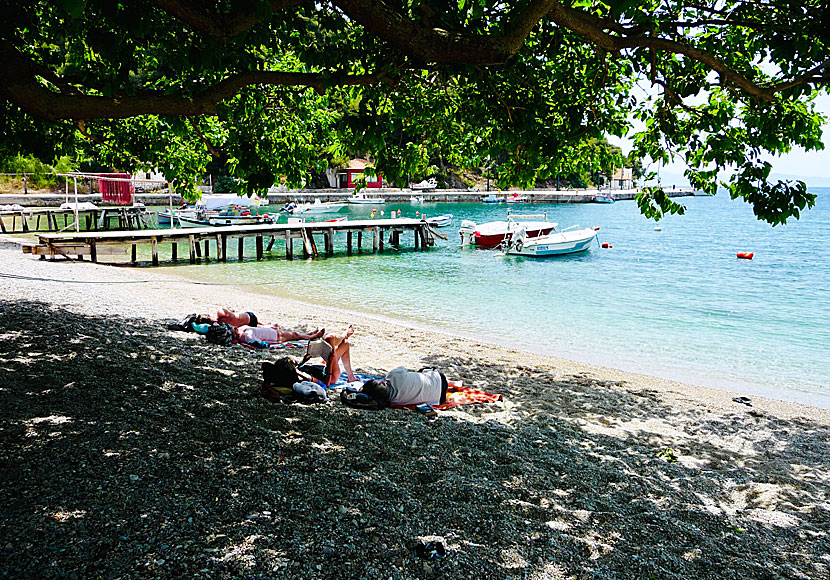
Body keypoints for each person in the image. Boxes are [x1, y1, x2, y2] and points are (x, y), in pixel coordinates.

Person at [360, 366, 448, 407]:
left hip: (439, 399)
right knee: (422, 370)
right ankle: (451, 383)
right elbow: (403, 368)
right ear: (382, 383)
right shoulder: (393, 375)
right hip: (439, 379)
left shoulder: (393, 402)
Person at [232, 324, 325, 345]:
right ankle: (313, 336)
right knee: (294, 335)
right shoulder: (247, 336)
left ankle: (308, 334)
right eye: (234, 328)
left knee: (294, 335)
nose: (236, 327)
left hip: (273, 333)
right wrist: (275, 342)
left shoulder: (243, 331)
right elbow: (260, 343)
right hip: (275, 337)